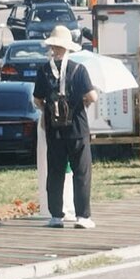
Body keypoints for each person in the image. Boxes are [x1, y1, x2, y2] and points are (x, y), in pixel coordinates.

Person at [32, 24, 98, 229]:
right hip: (77, 128)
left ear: (52, 47)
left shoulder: (44, 71)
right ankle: (82, 217)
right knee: (81, 172)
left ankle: (56, 216)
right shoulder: (79, 70)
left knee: (55, 172)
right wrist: (83, 101)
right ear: (68, 47)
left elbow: (37, 100)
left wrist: (48, 109)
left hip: (54, 131)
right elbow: (92, 96)